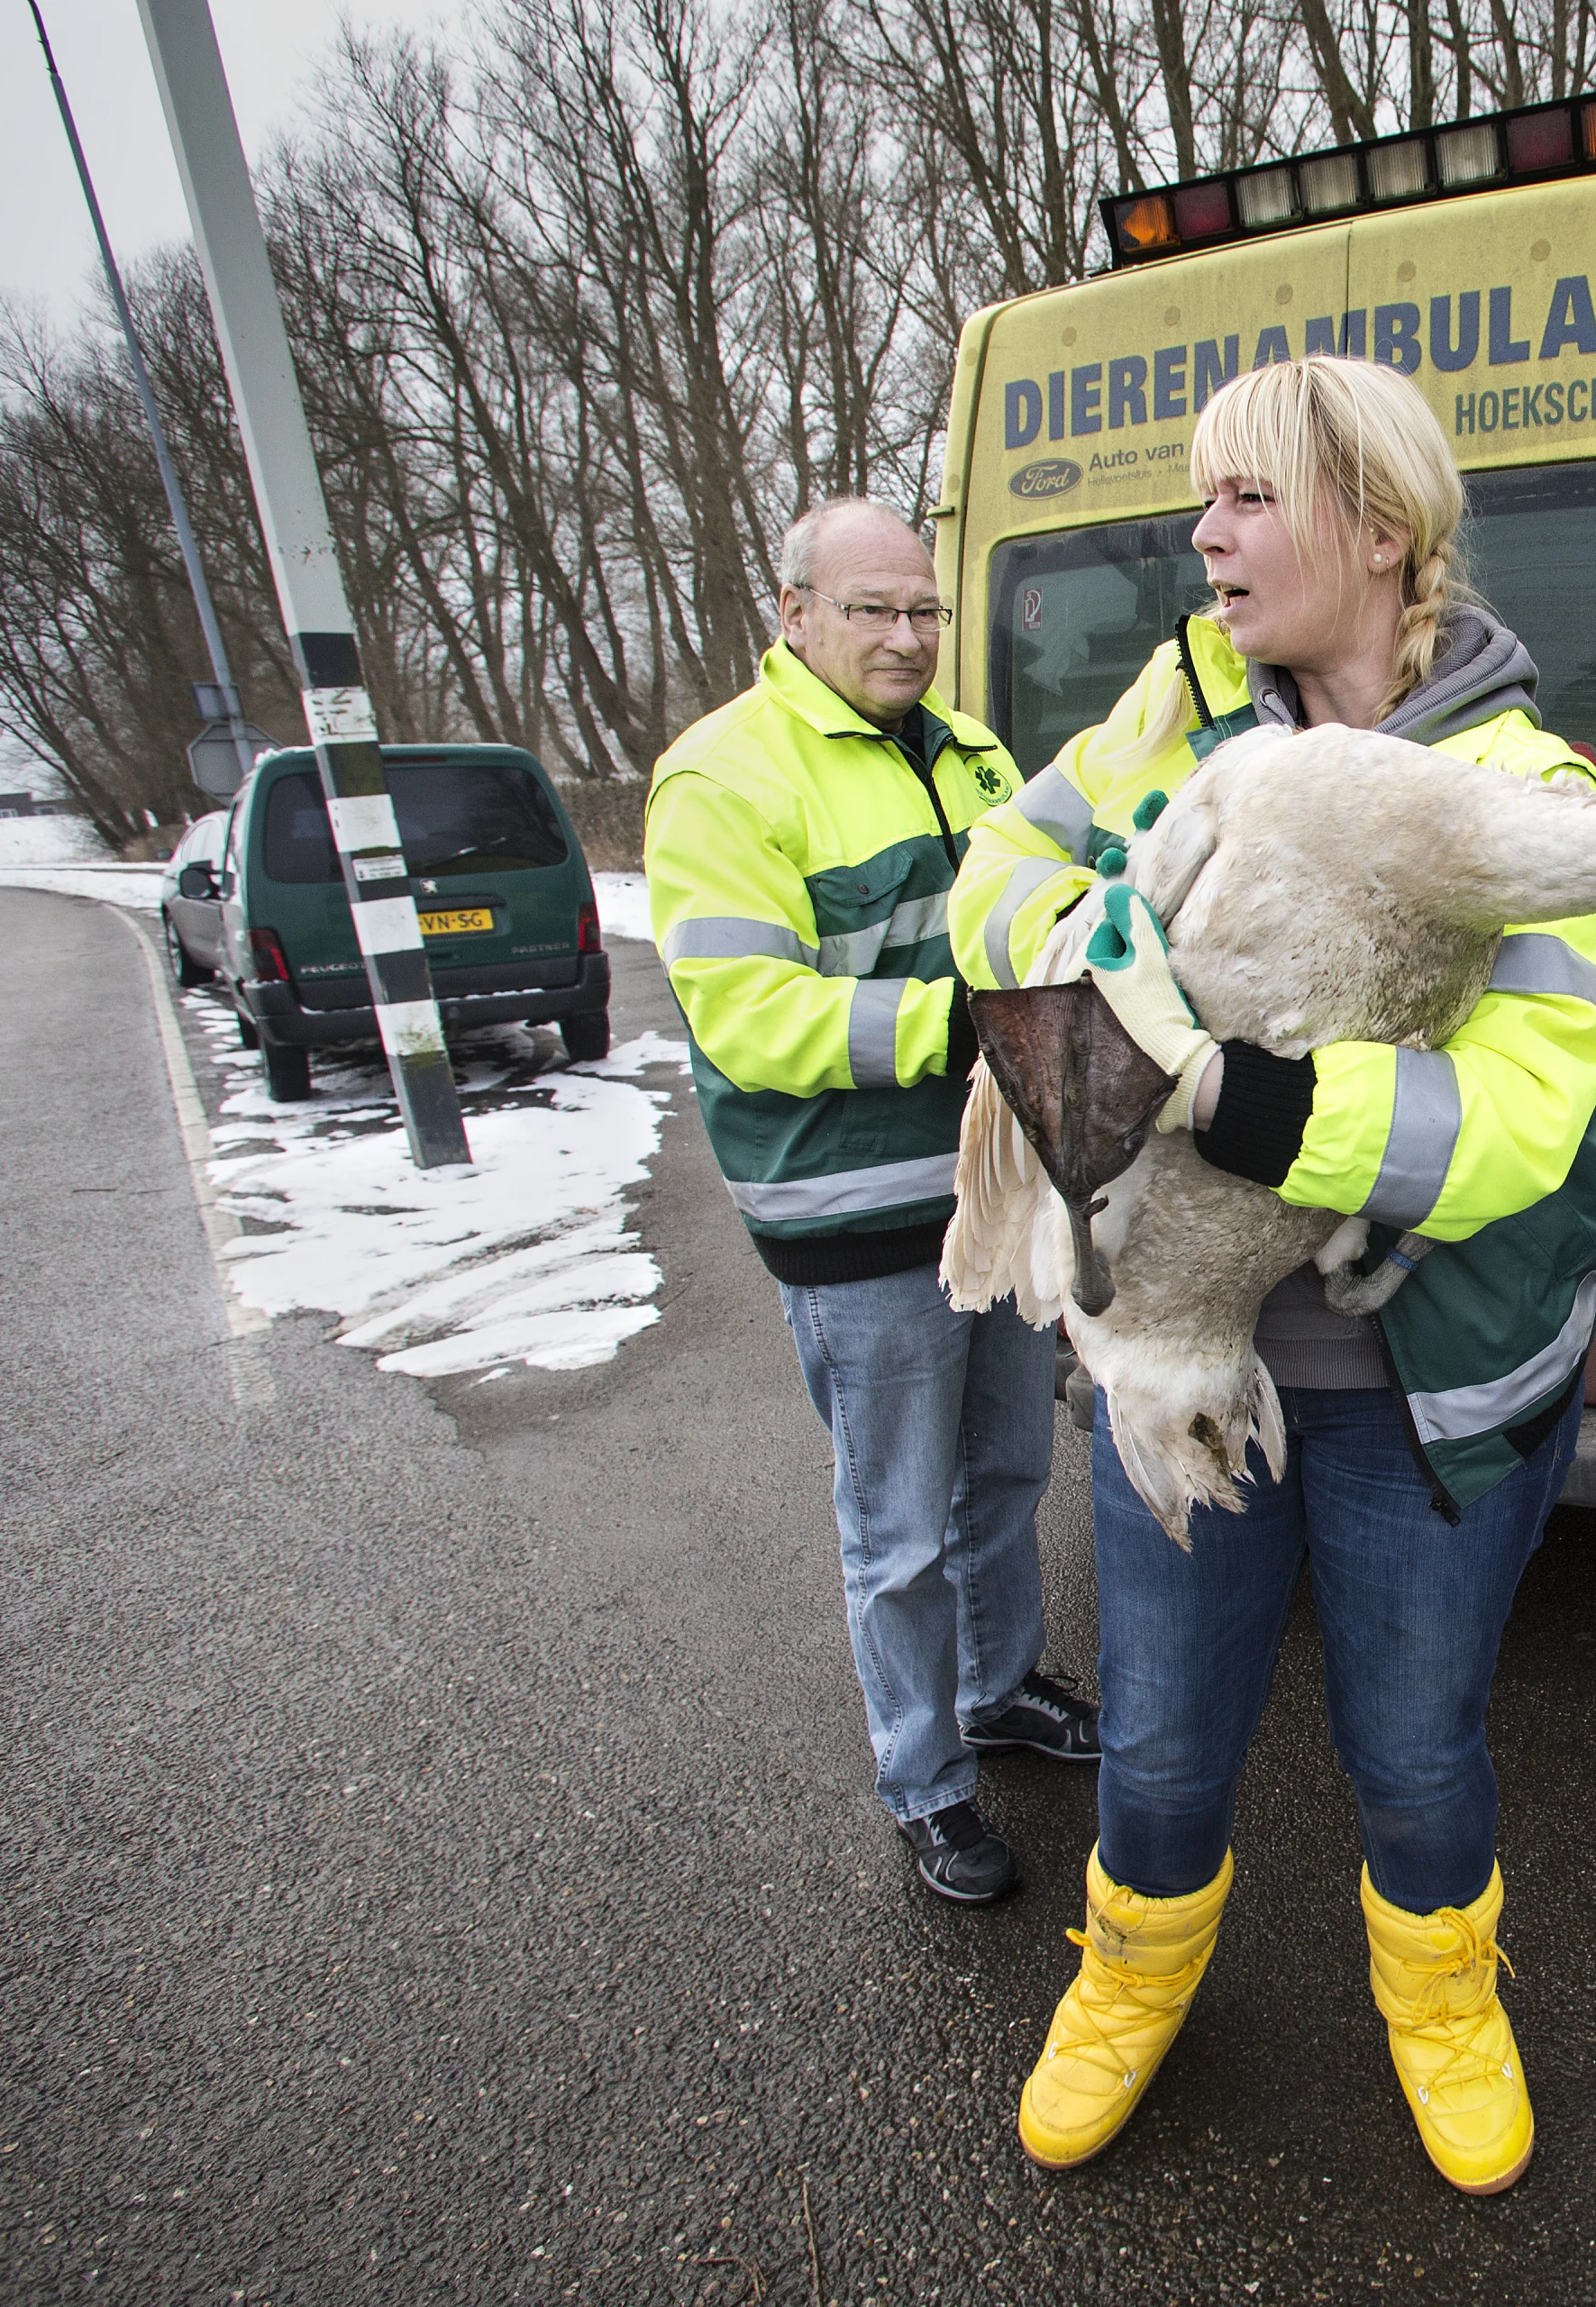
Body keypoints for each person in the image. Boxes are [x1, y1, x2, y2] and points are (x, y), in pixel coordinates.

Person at [947, 358, 1596, 2193]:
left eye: (1248, 495)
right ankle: (1130, 1979)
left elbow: (1520, 1116)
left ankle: (1440, 2000)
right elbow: (993, 870)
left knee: (1414, 1746)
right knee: (1160, 1740)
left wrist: (1242, 1098)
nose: (1205, 531)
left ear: (1381, 531)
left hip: (1414, 1385)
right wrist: (1089, 934)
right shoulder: (1169, 725)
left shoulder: (1527, 792)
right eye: (1203, 495)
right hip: (1183, 1370)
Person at [646, 497, 1100, 1907]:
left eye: (923, 611)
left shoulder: (970, 755)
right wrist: (966, 1025)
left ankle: (996, 1687)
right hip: (857, 1229)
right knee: (897, 1528)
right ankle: (926, 1781)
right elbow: (748, 1018)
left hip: (997, 1198)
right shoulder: (723, 777)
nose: (908, 637)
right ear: (792, 614)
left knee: (1010, 1477)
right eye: (872, 611)